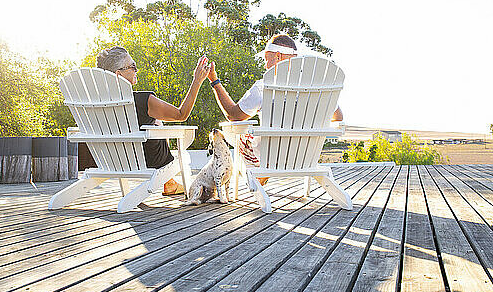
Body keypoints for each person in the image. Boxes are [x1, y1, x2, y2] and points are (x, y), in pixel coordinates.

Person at [207, 34, 343, 185]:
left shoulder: (262, 87)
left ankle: (259, 176)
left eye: (267, 59)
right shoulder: (319, 87)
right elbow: (338, 117)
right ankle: (262, 175)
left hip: (270, 159)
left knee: (240, 136)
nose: (265, 65)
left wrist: (215, 81)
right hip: (305, 157)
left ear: (278, 57)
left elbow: (233, 115)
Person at [97, 46, 210, 195]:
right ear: (119, 74)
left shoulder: (96, 104)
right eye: (133, 66)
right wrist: (197, 81)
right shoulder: (143, 101)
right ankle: (169, 181)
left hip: (110, 160)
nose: (136, 70)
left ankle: (170, 183)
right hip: (148, 161)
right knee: (156, 123)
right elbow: (181, 115)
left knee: (154, 122)